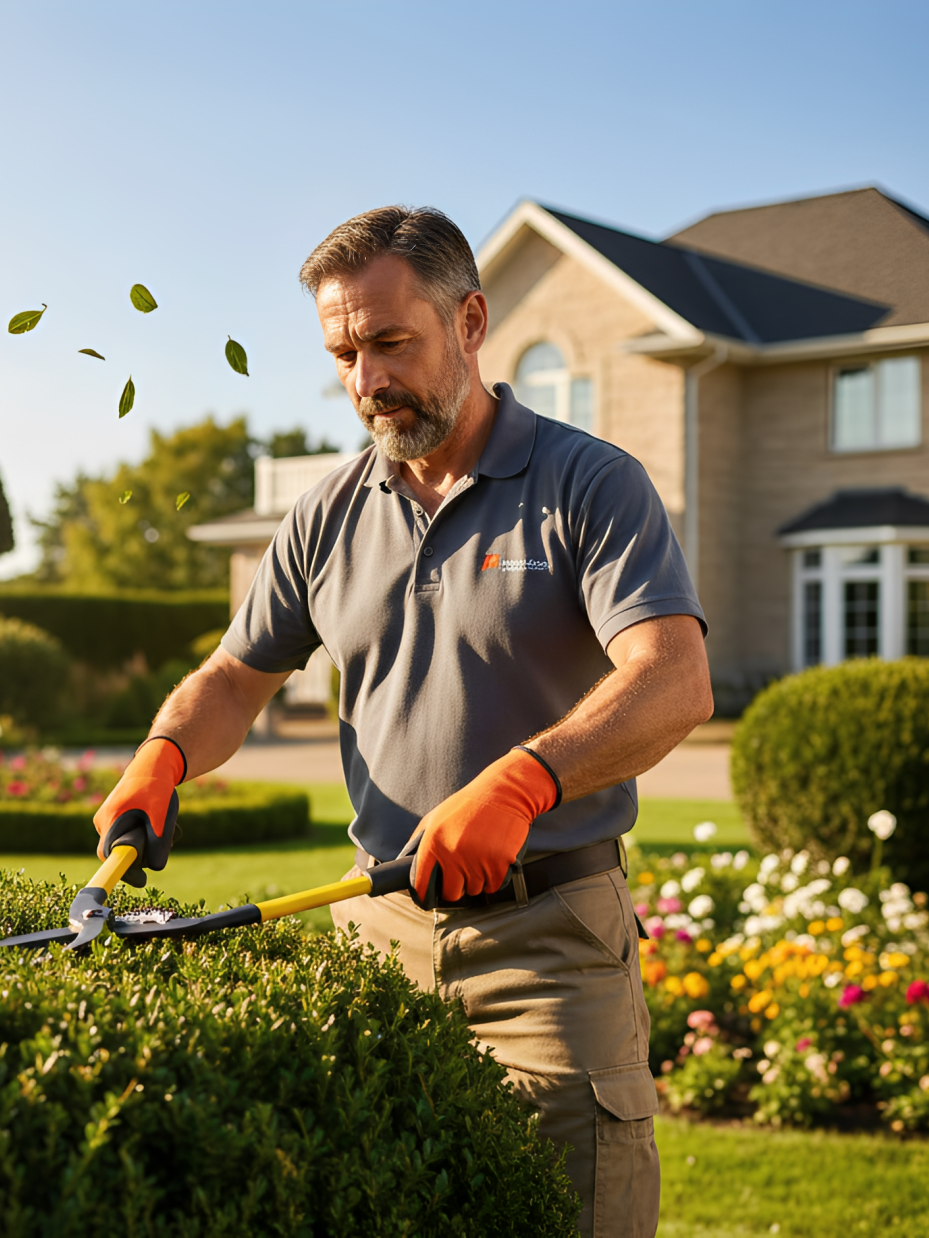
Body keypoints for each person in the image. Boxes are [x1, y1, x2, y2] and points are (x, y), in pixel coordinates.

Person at [94, 206, 713, 1237]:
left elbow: (672, 677)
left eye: (390, 342)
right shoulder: (322, 516)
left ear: (468, 321)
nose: (366, 379)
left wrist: (522, 780)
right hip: (369, 928)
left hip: (548, 940)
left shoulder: (587, 483)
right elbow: (234, 679)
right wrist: (161, 755)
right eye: (343, 353)